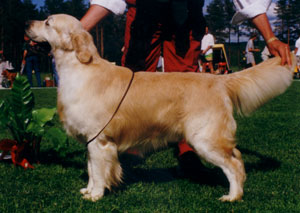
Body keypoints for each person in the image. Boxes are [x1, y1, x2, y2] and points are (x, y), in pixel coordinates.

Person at [80, 0, 292, 176]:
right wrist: (74, 32)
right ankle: (132, 146)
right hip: (143, 13)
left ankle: (188, 151)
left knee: (189, 85)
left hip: (186, 15)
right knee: (133, 81)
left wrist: (270, 37)